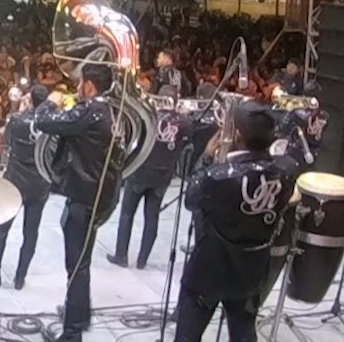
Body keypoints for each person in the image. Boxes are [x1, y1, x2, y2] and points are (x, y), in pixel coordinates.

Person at [174, 103, 298, 342]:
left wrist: (208, 158)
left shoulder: (218, 176)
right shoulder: (287, 171)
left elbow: (191, 199)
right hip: (251, 272)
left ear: (237, 135)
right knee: (243, 334)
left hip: (209, 273)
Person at [33, 63, 121, 342]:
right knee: (81, 261)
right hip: (102, 194)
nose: (78, 87)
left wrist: (51, 100)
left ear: (90, 86)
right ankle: (78, 313)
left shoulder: (91, 111)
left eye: (81, 82)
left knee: (77, 266)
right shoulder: (113, 109)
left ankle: (72, 334)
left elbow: (44, 121)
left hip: (85, 197)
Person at [108, 98, 189, 270]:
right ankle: (142, 260)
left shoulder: (148, 117)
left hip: (141, 171)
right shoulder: (184, 121)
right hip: (163, 175)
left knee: (127, 213)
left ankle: (121, 255)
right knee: (152, 217)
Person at [0, 85, 51, 289]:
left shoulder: (17, 119)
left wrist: (21, 109)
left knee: (0, 228)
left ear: (30, 99)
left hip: (15, 179)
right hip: (39, 181)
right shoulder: (51, 122)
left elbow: (6, 139)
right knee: (31, 232)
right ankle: (20, 278)